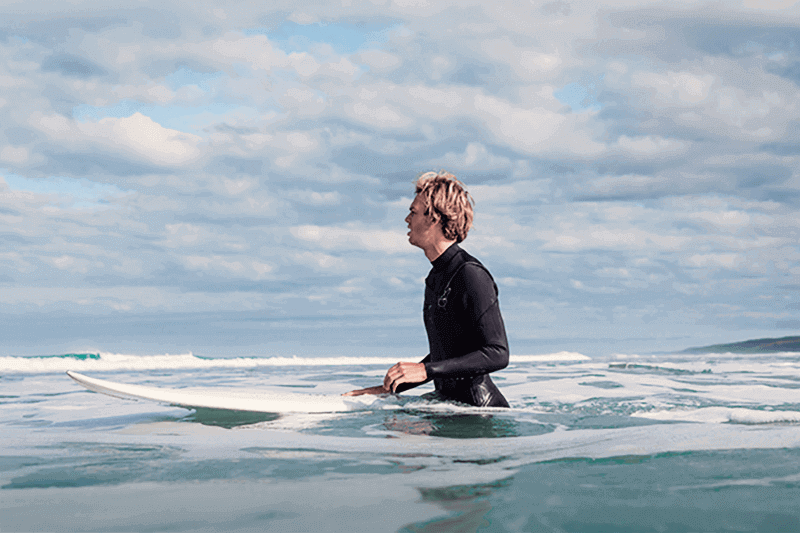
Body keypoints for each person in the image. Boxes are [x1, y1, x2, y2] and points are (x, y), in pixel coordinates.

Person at [344, 171, 510, 407]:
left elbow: (497, 352)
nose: (406, 219)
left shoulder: (471, 274)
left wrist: (425, 370)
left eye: (413, 212)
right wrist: (387, 389)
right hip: (451, 407)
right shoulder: (435, 278)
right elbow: (448, 353)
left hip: (481, 414)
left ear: (433, 218)